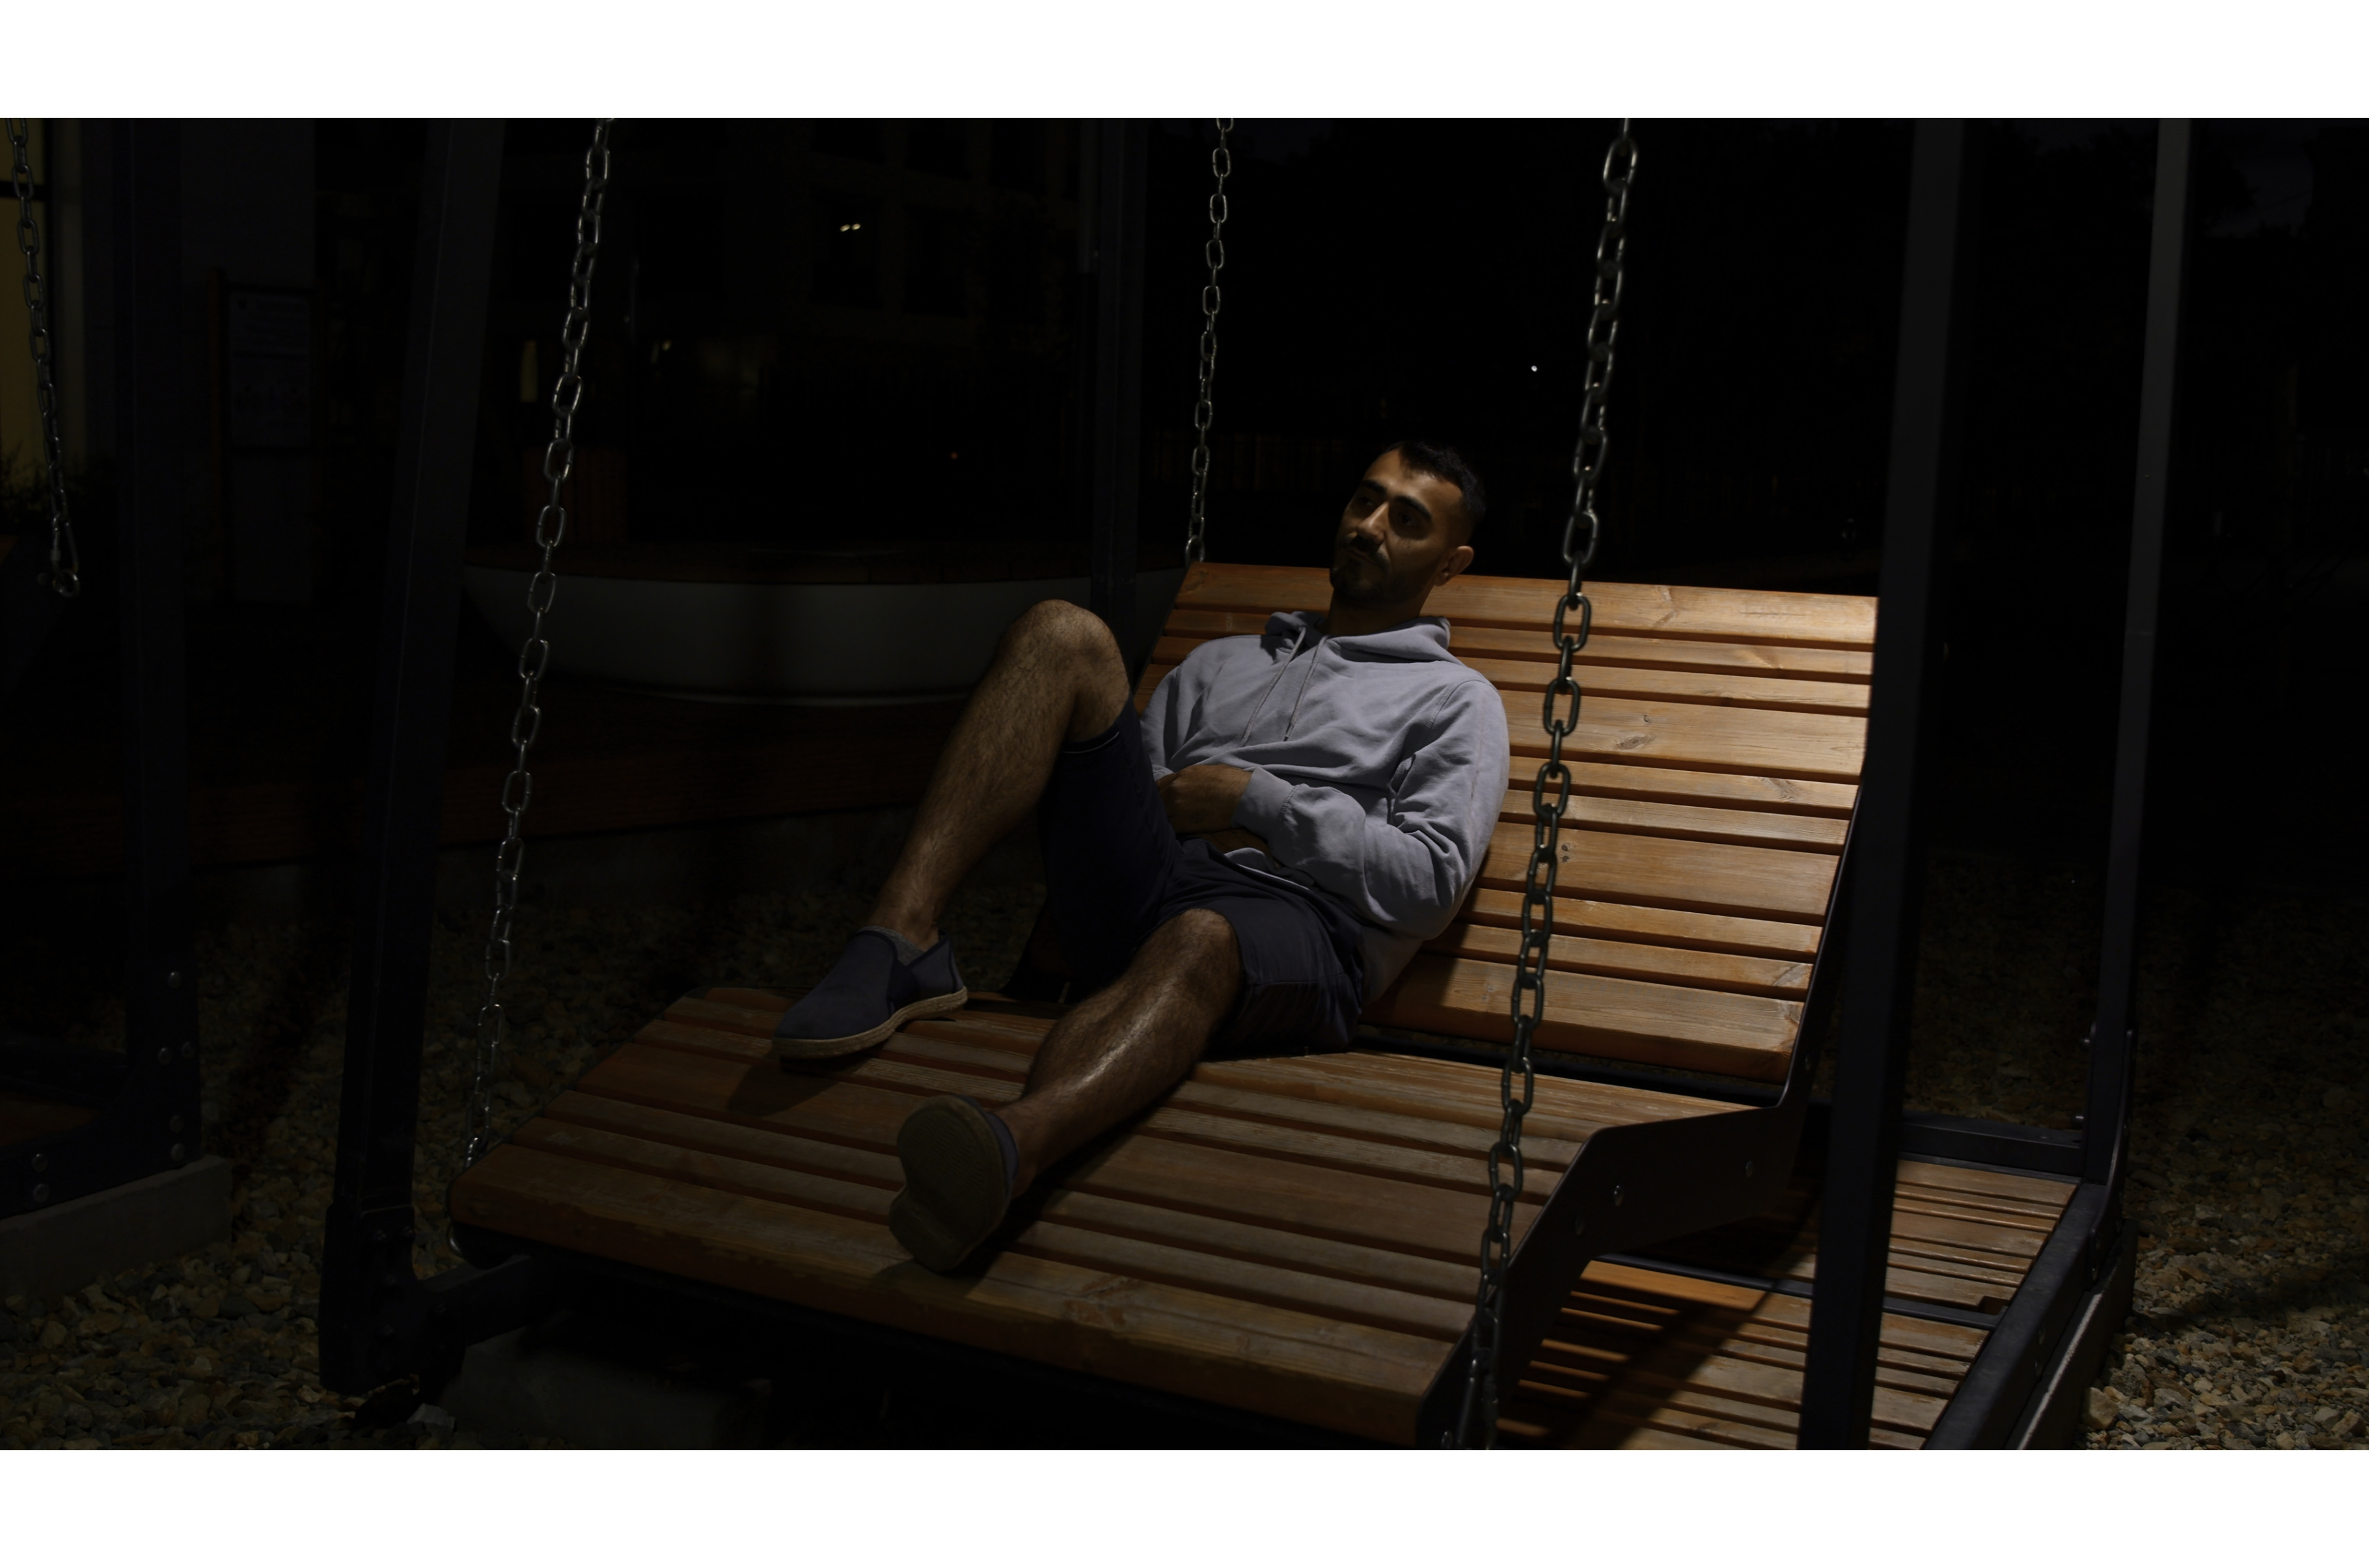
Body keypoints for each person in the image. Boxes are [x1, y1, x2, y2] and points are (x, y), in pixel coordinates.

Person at [774, 439, 1511, 1271]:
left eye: (1406, 520)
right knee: (1060, 632)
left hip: (1294, 926)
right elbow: (1151, 794)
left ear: (1450, 564)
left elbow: (1428, 885)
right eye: (1365, 500)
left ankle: (1009, 1148)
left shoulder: (1455, 701)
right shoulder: (1219, 663)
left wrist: (1254, 802)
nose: (1370, 526)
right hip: (1155, 877)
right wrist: (1203, 811)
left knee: (1200, 935)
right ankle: (900, 938)